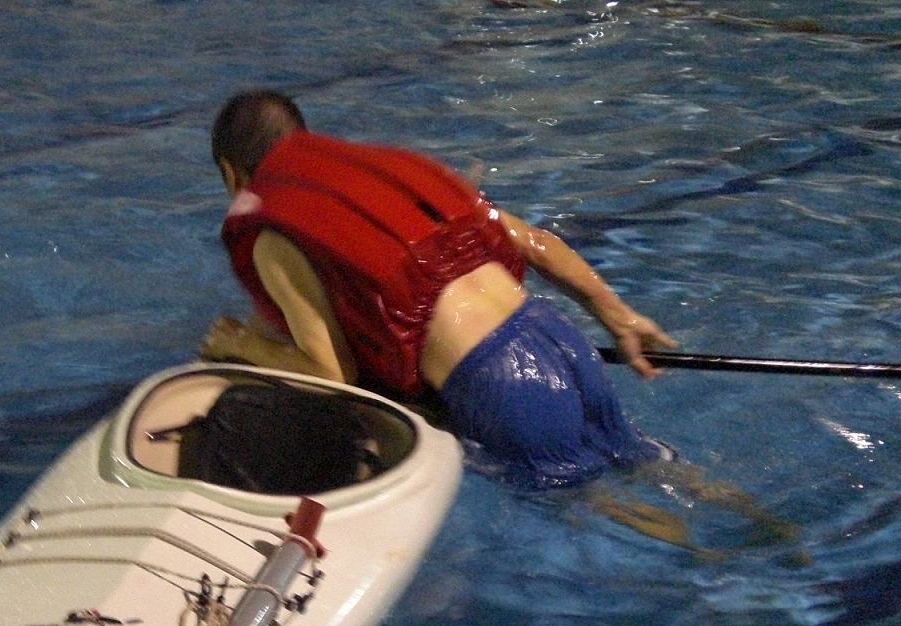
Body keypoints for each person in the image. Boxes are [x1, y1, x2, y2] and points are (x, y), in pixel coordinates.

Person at [199, 88, 680, 491]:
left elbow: (330, 372)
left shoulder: (272, 237)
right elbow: (537, 243)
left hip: (504, 384)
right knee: (660, 472)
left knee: (609, 511)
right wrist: (617, 316)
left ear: (229, 173)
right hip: (563, 342)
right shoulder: (384, 172)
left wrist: (241, 344)